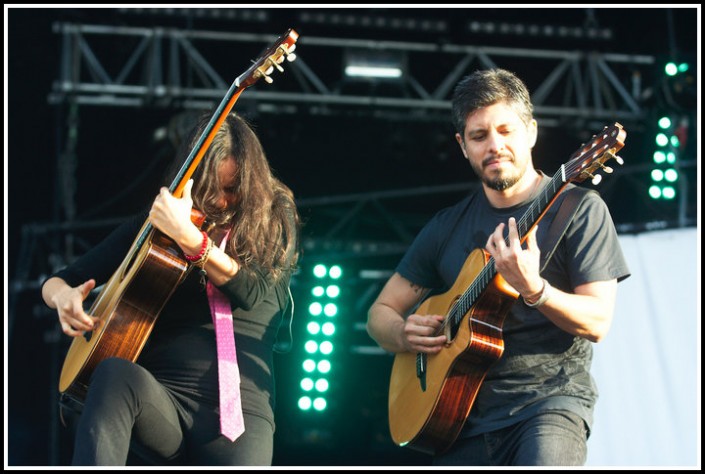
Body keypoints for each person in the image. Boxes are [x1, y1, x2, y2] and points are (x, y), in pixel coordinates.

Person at [366, 68, 630, 466]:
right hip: (458, 418)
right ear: (462, 145)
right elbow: (378, 314)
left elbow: (597, 321)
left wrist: (534, 288)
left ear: (532, 133)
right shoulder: (446, 226)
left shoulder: (578, 210)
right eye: (479, 136)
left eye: (506, 131)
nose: (495, 145)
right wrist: (403, 334)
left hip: (548, 405)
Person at [42, 112, 300, 466]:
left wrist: (191, 240)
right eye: (212, 191)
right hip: (163, 401)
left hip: (239, 417)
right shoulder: (158, 227)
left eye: (232, 190)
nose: (222, 202)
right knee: (113, 374)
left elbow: (249, 290)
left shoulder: (273, 218)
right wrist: (63, 297)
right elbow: (60, 279)